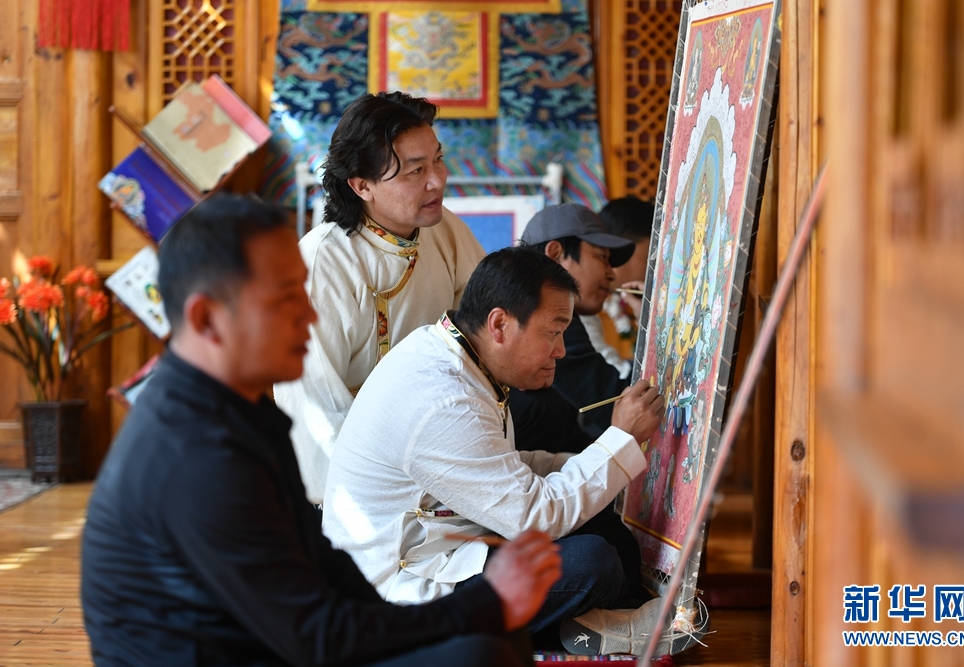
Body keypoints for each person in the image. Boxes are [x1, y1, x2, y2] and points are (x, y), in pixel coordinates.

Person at [80, 195, 561, 667]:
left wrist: (480, 609)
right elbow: (315, 638)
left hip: (280, 641)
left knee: (487, 633)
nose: (310, 316)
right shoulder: (194, 453)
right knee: (476, 649)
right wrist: (485, 602)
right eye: (285, 298)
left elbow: (322, 566)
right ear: (207, 318)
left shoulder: (240, 411)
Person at [323, 247, 673, 656]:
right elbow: (535, 518)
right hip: (401, 591)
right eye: (553, 332)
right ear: (500, 324)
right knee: (591, 563)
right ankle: (574, 628)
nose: (560, 350)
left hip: (453, 543)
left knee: (606, 529)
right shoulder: (443, 400)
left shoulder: (453, 355)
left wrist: (604, 458)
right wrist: (620, 442)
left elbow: (502, 467)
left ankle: (583, 623)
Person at [273, 91, 485, 505]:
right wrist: (382, 496)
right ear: (362, 185)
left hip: (444, 450)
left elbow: (485, 330)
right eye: (415, 171)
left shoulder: (445, 231)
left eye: (438, 160)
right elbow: (315, 405)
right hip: (365, 484)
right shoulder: (324, 262)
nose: (437, 180)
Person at [520, 203, 637, 439]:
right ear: (556, 255)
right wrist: (655, 328)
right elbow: (619, 403)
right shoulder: (545, 319)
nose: (611, 273)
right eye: (602, 257)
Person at [585, 195, 657, 377]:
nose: (659, 269)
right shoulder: (570, 313)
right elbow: (615, 384)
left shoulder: (586, 308)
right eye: (652, 257)